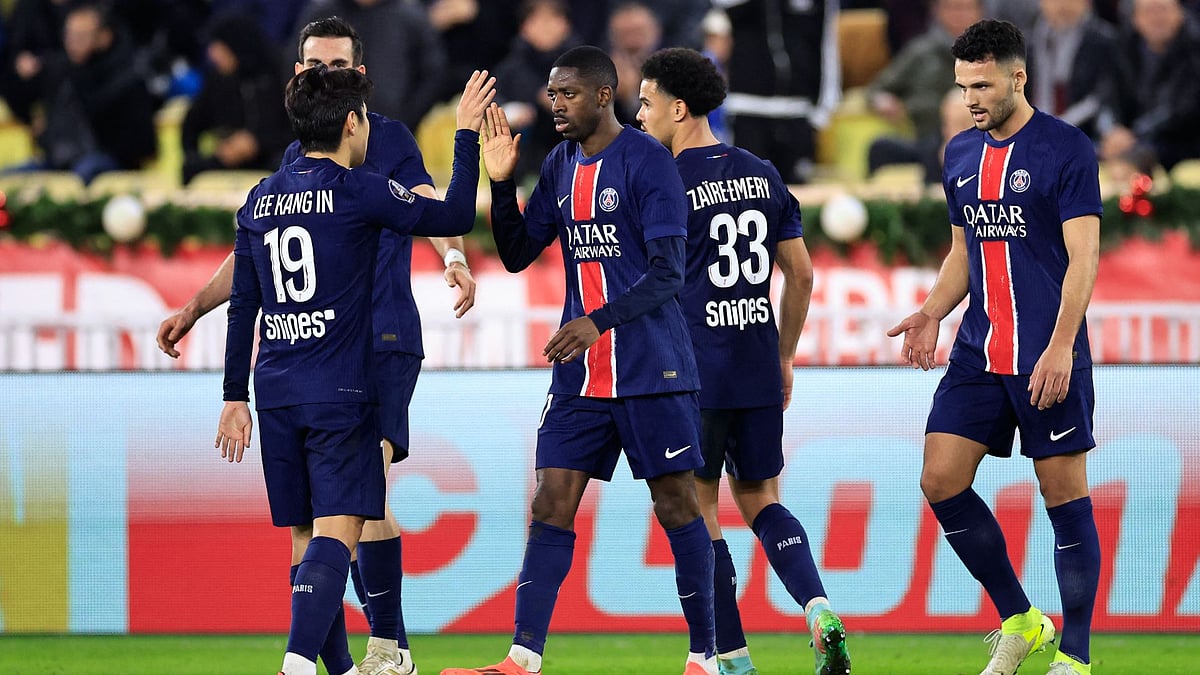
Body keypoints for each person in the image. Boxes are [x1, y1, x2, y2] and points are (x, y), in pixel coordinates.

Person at [159, 16, 481, 675]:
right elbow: (441, 206)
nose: (321, 74)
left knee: (358, 495)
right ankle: (348, 657)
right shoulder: (317, 166)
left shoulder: (381, 141)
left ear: (358, 77)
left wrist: (453, 257)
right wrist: (194, 303)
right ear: (298, 76)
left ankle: (384, 647)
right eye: (311, 66)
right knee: (347, 507)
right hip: (334, 366)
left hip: (375, 341)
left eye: (333, 66)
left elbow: (423, 205)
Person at [441, 45, 717, 675]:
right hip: (582, 378)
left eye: (566, 94)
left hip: (652, 371)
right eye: (550, 92)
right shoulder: (562, 164)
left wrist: (596, 321)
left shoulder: (649, 162)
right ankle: (522, 659)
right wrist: (503, 180)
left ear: (601, 95)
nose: (553, 104)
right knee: (549, 503)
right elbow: (515, 253)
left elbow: (668, 274)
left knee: (677, 506)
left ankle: (705, 656)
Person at [886, 19, 1101, 675]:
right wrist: (930, 311)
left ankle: (1076, 655)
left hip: (1046, 351)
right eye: (962, 86)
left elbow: (1084, 257)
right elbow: (963, 254)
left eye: (982, 85)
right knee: (940, 476)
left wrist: (1063, 344)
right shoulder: (958, 154)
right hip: (979, 351)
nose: (971, 98)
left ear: (1018, 76)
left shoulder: (1065, 149)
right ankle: (1021, 618)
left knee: (1062, 492)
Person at [636, 47, 851, 675]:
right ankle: (815, 606)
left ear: (679, 108)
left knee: (700, 511)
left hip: (692, 371)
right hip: (756, 359)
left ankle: (730, 656)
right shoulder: (761, 170)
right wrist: (783, 355)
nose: (639, 114)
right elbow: (802, 275)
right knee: (761, 497)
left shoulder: (663, 179)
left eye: (647, 102)